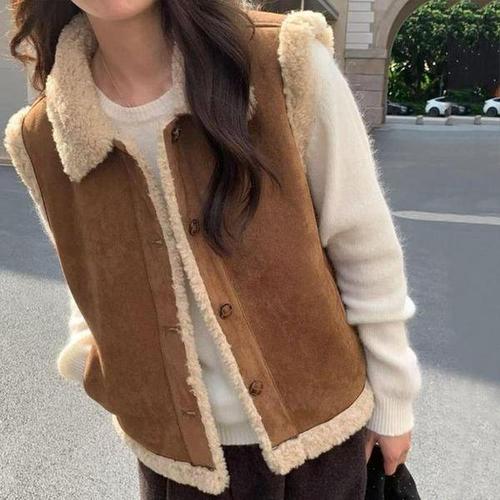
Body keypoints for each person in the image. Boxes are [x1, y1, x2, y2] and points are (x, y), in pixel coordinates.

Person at [4, 0, 422, 498]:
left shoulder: (282, 59)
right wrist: (95, 363)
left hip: (322, 442)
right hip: (177, 466)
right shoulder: (42, 137)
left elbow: (362, 242)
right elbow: (87, 282)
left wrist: (393, 399)